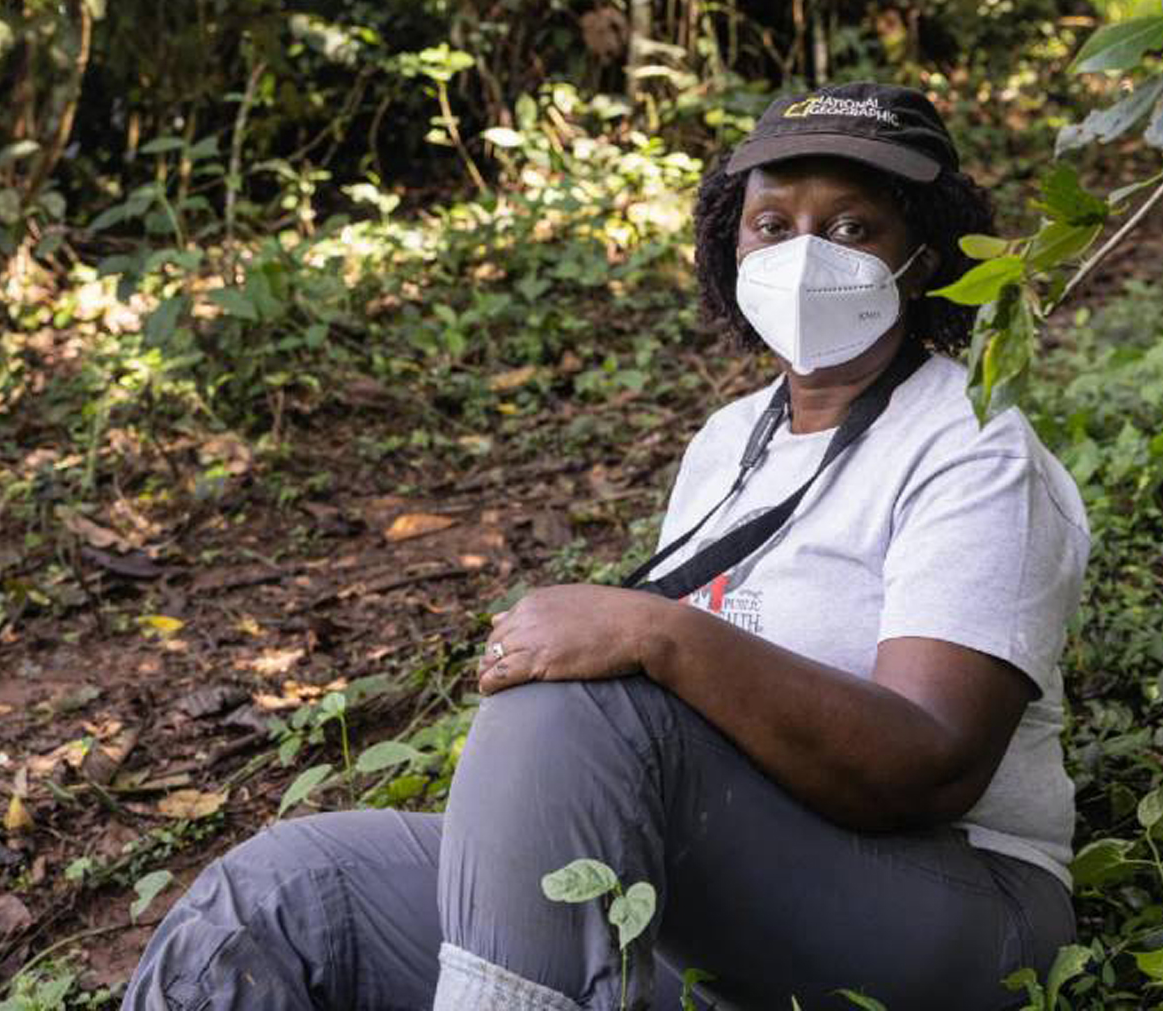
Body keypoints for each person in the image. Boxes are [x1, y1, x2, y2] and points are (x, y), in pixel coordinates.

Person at [122, 81, 1090, 1011]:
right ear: (731, 244)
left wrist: (662, 637)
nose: (802, 255)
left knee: (590, 698)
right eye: (772, 225)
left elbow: (932, 764)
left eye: (849, 229)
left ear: (921, 257)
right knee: (291, 888)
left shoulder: (970, 446)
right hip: (725, 890)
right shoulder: (728, 441)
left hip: (948, 907)